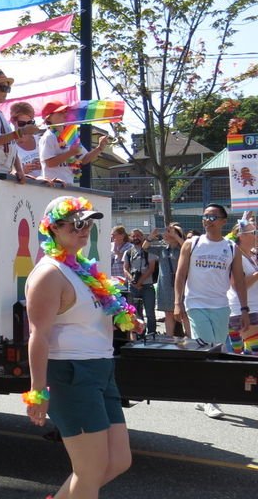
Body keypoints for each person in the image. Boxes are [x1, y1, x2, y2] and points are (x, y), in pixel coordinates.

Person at [25, 196, 137, 498]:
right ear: (53, 228)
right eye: (76, 224)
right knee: (91, 469)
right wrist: (38, 392)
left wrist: (126, 320)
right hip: (71, 373)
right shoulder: (49, 274)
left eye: (87, 223)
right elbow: (38, 335)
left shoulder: (83, 270)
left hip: (101, 369)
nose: (84, 229)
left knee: (118, 460)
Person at [175, 203, 247, 419]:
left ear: (224, 221)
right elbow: (180, 274)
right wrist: (178, 302)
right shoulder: (192, 243)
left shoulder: (231, 248)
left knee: (217, 350)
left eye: (213, 217)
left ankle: (201, 394)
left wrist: (244, 309)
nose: (208, 220)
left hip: (221, 305)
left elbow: (239, 280)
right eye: (205, 216)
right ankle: (209, 399)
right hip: (196, 304)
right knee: (206, 348)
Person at [0, 69, 40, 181]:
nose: (5, 92)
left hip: (3, 171)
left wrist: (19, 170)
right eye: (2, 88)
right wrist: (22, 131)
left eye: (7, 88)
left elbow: (12, 147)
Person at [38, 101, 110, 187]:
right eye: (60, 112)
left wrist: (99, 148)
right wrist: (70, 153)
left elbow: (84, 159)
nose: (64, 114)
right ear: (48, 118)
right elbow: (50, 163)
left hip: (69, 185)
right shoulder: (48, 137)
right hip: (52, 185)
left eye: (65, 111)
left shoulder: (70, 136)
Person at [123, 229, 158, 334]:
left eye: (138, 235)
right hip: (133, 287)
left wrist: (140, 282)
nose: (136, 238)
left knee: (150, 313)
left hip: (147, 285)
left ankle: (152, 334)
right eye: (133, 236)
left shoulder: (149, 250)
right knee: (136, 313)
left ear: (143, 236)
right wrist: (132, 280)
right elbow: (125, 269)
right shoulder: (128, 252)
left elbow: (151, 268)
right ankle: (139, 334)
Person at [153, 224, 185, 336]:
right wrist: (151, 236)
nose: (165, 234)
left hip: (182, 285)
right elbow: (145, 247)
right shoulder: (162, 248)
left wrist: (176, 236)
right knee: (168, 313)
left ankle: (191, 340)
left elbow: (188, 249)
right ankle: (169, 339)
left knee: (184, 313)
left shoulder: (183, 247)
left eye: (169, 232)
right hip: (165, 285)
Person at [10, 102, 43, 180]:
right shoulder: (9, 144)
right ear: (13, 122)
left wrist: (43, 165)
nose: (26, 127)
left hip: (44, 187)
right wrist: (22, 171)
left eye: (29, 123)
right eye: (21, 123)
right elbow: (7, 173)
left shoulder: (39, 140)